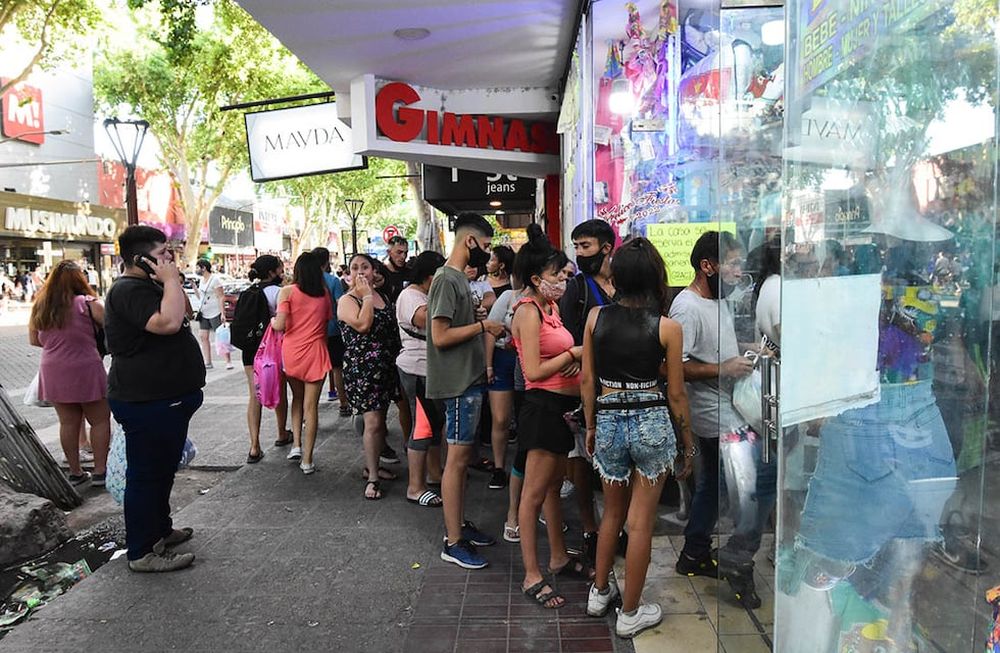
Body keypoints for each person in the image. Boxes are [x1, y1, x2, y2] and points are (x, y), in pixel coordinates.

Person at [582, 238, 696, 638]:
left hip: (609, 420)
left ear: (618, 276)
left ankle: (599, 593)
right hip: (651, 424)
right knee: (641, 522)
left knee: (611, 513)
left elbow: (587, 380)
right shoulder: (668, 328)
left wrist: (592, 425)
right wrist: (688, 444)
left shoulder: (595, 318)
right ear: (655, 277)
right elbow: (677, 394)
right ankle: (630, 613)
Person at [669, 231, 774, 609]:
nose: (737, 269)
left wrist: (746, 351)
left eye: (739, 261)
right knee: (758, 483)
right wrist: (724, 367)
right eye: (730, 262)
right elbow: (675, 368)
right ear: (706, 265)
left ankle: (694, 552)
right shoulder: (686, 307)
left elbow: (718, 347)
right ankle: (738, 557)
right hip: (715, 415)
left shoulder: (719, 300)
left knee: (712, 486)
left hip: (729, 406)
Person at [104, 225, 204, 572]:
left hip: (167, 397)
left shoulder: (151, 285)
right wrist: (171, 281)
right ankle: (142, 550)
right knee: (147, 475)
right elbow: (169, 322)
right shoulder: (128, 290)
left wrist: (169, 281)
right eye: (162, 255)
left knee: (163, 471)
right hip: (146, 400)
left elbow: (186, 311)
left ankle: (160, 528)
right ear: (139, 259)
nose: (169, 261)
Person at [507, 223, 586, 609]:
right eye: (557, 275)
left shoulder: (549, 307)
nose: (563, 280)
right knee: (533, 494)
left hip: (559, 410)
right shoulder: (527, 311)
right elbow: (534, 372)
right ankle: (531, 574)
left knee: (553, 487)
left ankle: (558, 556)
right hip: (540, 410)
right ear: (537, 279)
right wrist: (573, 355)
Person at [427, 212, 505, 569]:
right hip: (457, 384)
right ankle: (453, 540)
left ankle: (459, 525)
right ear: (469, 242)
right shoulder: (446, 279)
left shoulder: (458, 279)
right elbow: (440, 337)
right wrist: (482, 327)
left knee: (461, 460)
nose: (487, 256)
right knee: (456, 463)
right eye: (485, 247)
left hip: (468, 380)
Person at [559, 218, 617, 564]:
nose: (579, 253)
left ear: (606, 247)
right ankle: (590, 528)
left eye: (586, 246)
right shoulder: (575, 289)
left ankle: (615, 524)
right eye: (576, 246)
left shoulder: (623, 285)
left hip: (621, 385)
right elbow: (568, 337)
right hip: (586, 386)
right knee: (581, 458)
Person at [28, 260, 111, 487]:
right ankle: (100, 472)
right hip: (86, 366)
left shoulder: (41, 306)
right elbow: (111, 329)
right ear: (80, 280)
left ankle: (75, 472)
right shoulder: (88, 303)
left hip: (52, 369)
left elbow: (34, 340)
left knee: (67, 423)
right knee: (100, 420)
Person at [338, 253, 403, 499]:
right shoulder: (348, 300)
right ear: (349, 274)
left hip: (386, 366)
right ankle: (373, 478)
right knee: (373, 422)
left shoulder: (383, 297)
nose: (360, 272)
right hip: (363, 369)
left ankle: (371, 466)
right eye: (355, 268)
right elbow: (363, 325)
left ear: (375, 271)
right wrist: (365, 296)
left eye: (365, 266)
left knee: (381, 422)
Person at [271, 252, 332, 475]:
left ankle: (296, 445)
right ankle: (307, 459)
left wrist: (271, 321)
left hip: (293, 353)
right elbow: (325, 325)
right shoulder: (324, 295)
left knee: (296, 399)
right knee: (311, 407)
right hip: (316, 352)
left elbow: (279, 325)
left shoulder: (287, 292)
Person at [396, 251, 446, 507]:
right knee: (423, 427)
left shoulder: (424, 294)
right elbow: (426, 320)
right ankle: (415, 487)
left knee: (434, 425)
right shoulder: (411, 296)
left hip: (430, 370)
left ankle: (434, 473)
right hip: (416, 369)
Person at [242, 255, 291, 464]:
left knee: (255, 395)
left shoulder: (248, 292)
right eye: (280, 269)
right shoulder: (279, 293)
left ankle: (254, 445)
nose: (283, 272)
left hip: (250, 350)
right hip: (272, 349)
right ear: (272, 272)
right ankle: (281, 433)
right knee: (278, 388)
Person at [483, 273, 522, 492]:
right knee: (501, 418)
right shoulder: (508, 296)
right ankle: (499, 468)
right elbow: (491, 330)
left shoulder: (548, 300)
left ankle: (524, 466)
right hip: (502, 361)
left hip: (527, 361)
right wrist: (488, 365)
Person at [313, 247, 351, 417]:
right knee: (337, 368)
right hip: (333, 329)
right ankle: (343, 403)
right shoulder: (333, 281)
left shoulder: (306, 282)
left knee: (318, 370)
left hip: (314, 332)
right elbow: (340, 303)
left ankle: (311, 407)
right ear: (326, 261)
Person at [193, 259, 232, 370]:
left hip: (215, 311)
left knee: (221, 336)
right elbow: (201, 297)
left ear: (203, 268)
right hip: (204, 312)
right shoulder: (201, 280)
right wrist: (194, 288)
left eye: (198, 267)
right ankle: (208, 361)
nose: (196, 270)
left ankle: (228, 361)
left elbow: (221, 296)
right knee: (203, 336)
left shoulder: (215, 280)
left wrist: (222, 313)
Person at [381, 235, 409, 303]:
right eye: (399, 252)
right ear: (389, 252)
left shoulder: (409, 272)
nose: (403, 256)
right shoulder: (380, 273)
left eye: (405, 253)